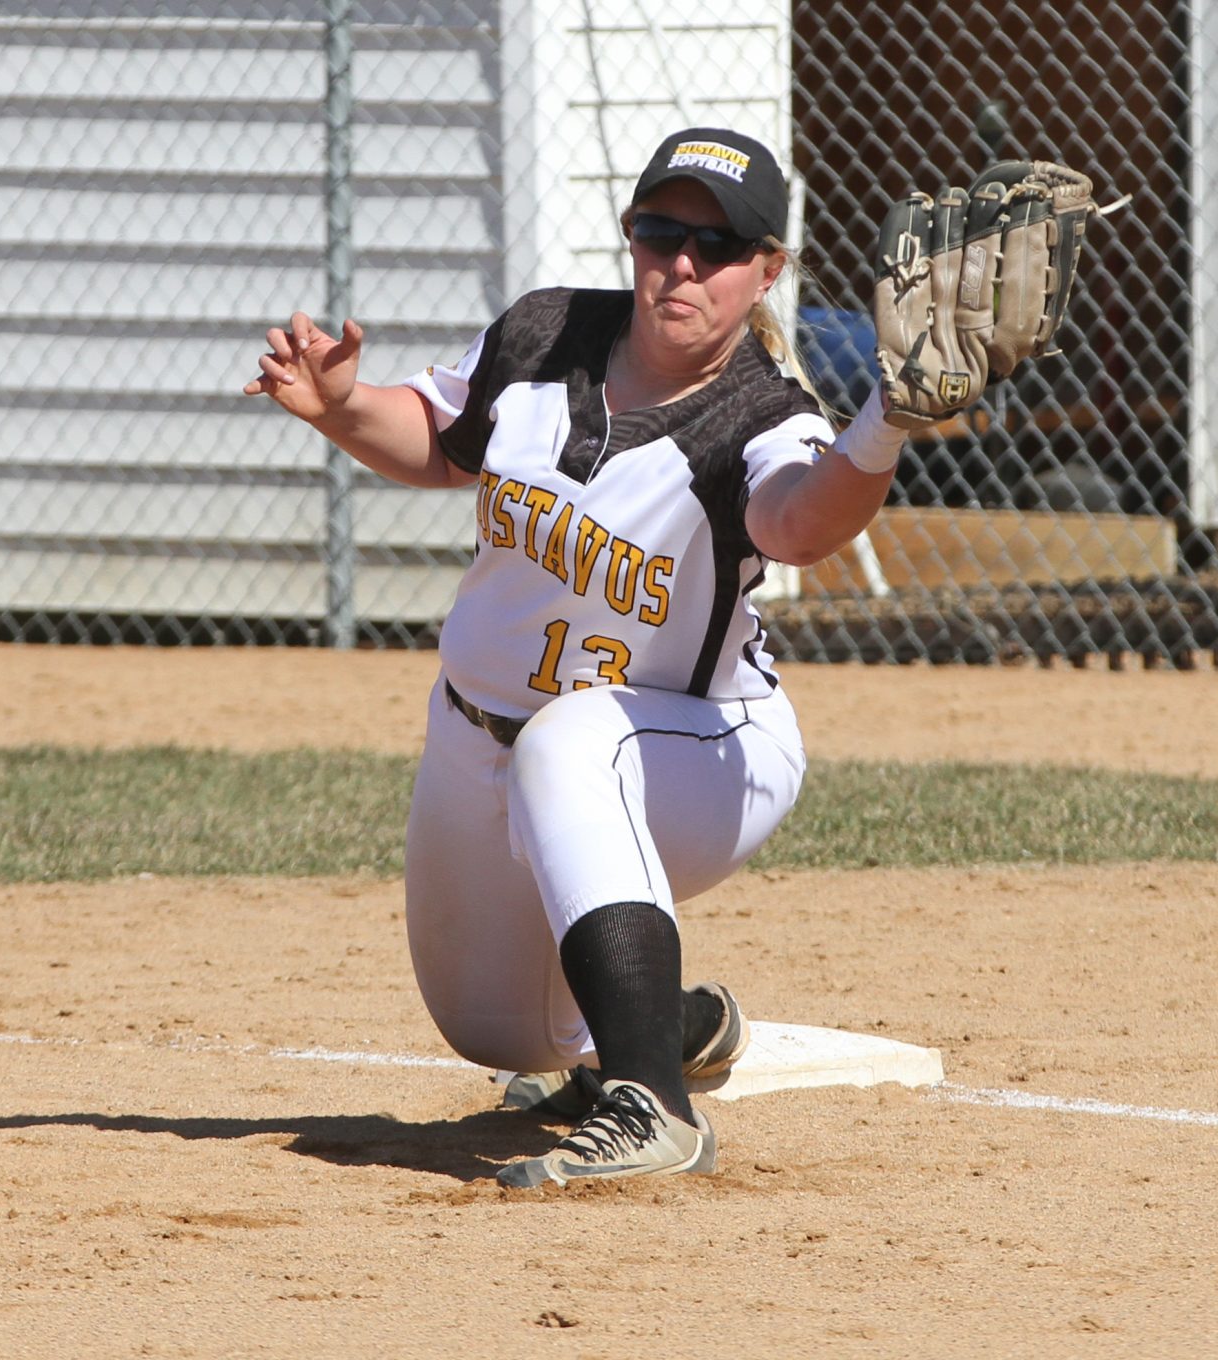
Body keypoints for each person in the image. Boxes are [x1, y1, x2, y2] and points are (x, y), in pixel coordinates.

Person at [245, 128, 912, 1187]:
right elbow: (441, 437)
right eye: (661, 231)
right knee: (498, 1034)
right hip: (476, 740)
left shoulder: (762, 415)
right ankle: (679, 1021)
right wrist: (338, 407)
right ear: (632, 236)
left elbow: (796, 522)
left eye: (718, 243)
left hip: (695, 753)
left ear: (767, 268)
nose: (681, 263)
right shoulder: (545, 331)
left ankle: (656, 1105)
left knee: (572, 735)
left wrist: (887, 418)